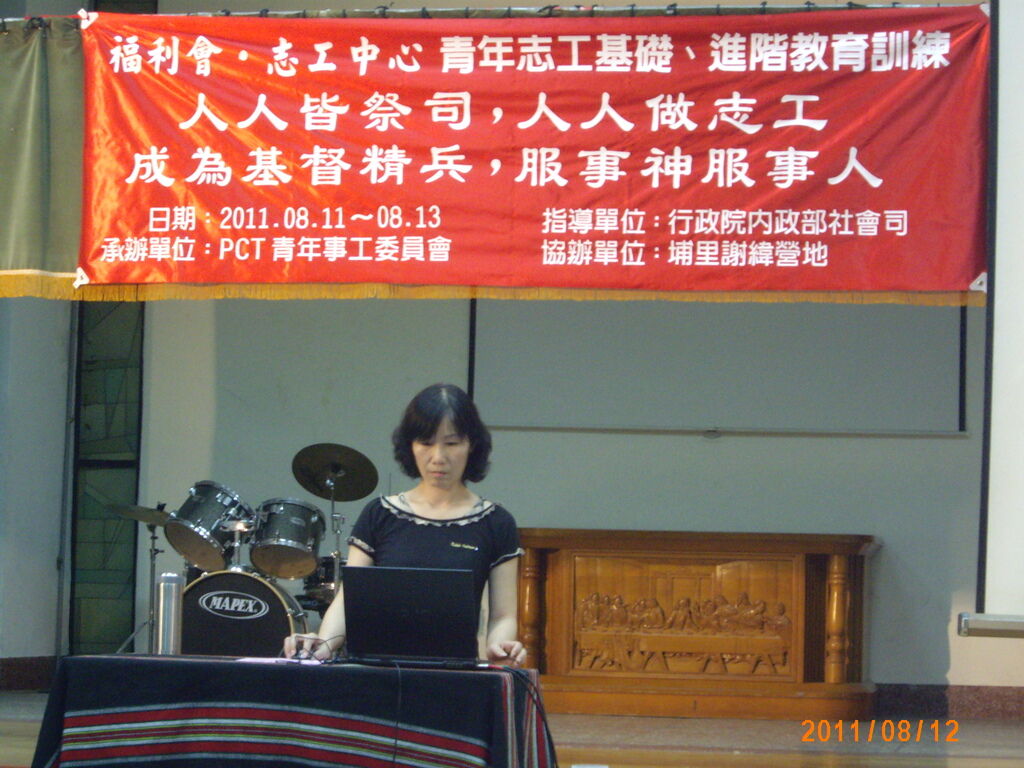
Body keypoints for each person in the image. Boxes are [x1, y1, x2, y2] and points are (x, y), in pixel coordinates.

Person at [284, 383, 527, 666]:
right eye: (426, 443)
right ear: (410, 445)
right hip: (375, 669)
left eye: (451, 443)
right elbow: (350, 598)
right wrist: (324, 643)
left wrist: (499, 647)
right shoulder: (380, 514)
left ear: (472, 445)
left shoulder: (496, 522)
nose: (438, 457)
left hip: (453, 672)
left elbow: (503, 616)